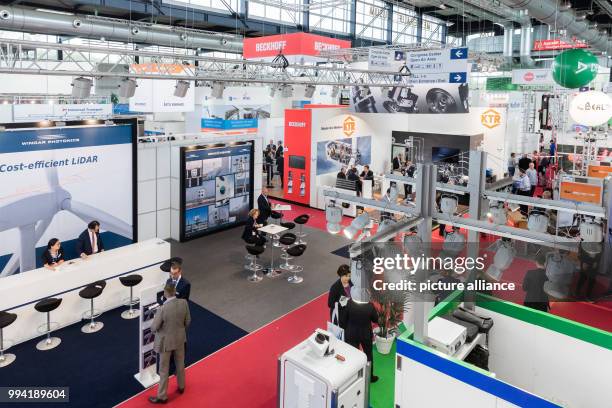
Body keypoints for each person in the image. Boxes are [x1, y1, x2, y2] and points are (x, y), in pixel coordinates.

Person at [148, 285, 191, 404]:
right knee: (180, 364)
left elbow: (154, 328)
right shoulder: (184, 303)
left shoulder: (162, 309)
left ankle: (162, 396)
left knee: (163, 370)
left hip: (166, 343)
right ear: (175, 292)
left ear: (165, 294)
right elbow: (188, 322)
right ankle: (181, 387)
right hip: (180, 339)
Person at [345, 297, 379, 383]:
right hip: (365, 334)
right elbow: (375, 319)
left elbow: (344, 318)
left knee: (353, 356)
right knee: (368, 355)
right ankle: (369, 377)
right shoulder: (370, 306)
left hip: (352, 333)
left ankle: (354, 378)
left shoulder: (349, 303)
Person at [327, 264, 353, 329]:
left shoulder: (350, 282)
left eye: (349, 276)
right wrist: (341, 303)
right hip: (340, 315)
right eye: (346, 276)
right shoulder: (335, 287)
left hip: (349, 312)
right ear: (341, 275)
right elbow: (330, 304)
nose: (348, 278)